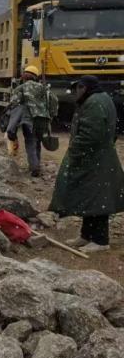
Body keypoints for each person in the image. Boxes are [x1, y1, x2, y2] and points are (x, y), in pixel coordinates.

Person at [50, 76, 124, 253]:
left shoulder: (93, 103)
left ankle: (100, 241)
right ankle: (86, 236)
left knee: (98, 200)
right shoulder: (101, 98)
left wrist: (75, 151)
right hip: (97, 157)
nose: (76, 93)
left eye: (78, 89)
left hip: (95, 159)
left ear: (85, 88)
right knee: (90, 198)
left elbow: (91, 134)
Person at [6, 65, 56, 177]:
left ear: (24, 76)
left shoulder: (21, 88)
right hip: (43, 120)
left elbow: (14, 104)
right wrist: (51, 116)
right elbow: (54, 102)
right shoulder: (45, 89)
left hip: (28, 120)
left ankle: (34, 168)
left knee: (30, 142)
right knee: (38, 141)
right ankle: (37, 164)